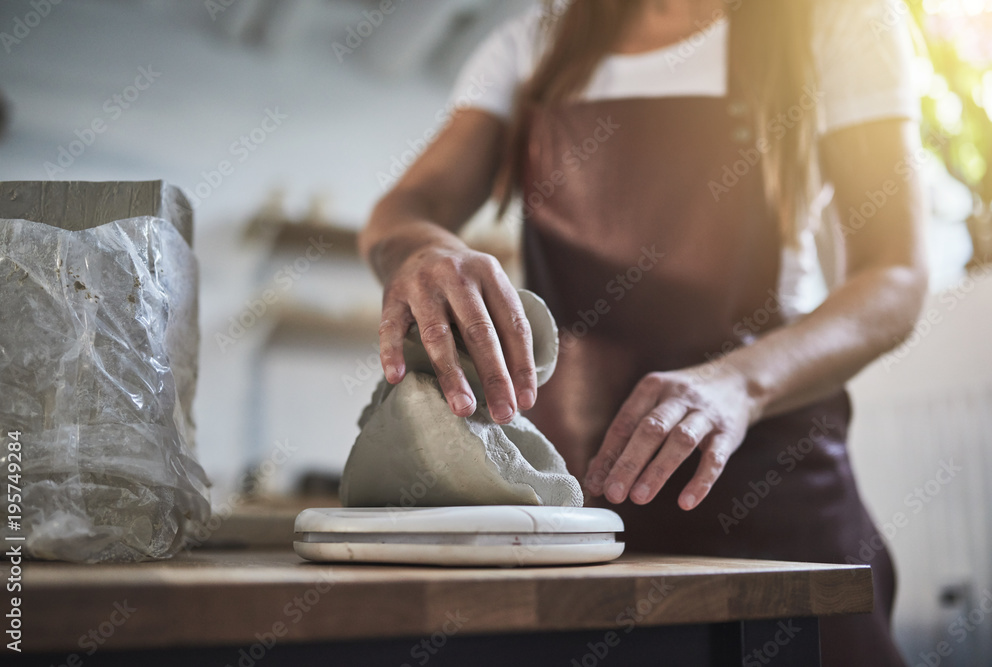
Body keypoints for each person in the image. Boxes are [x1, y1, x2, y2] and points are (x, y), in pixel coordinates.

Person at [358, 0, 926, 664]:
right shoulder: (536, 42)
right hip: (581, 520)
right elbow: (405, 210)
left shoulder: (837, 22)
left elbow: (895, 275)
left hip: (775, 494)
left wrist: (738, 383)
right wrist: (423, 249)